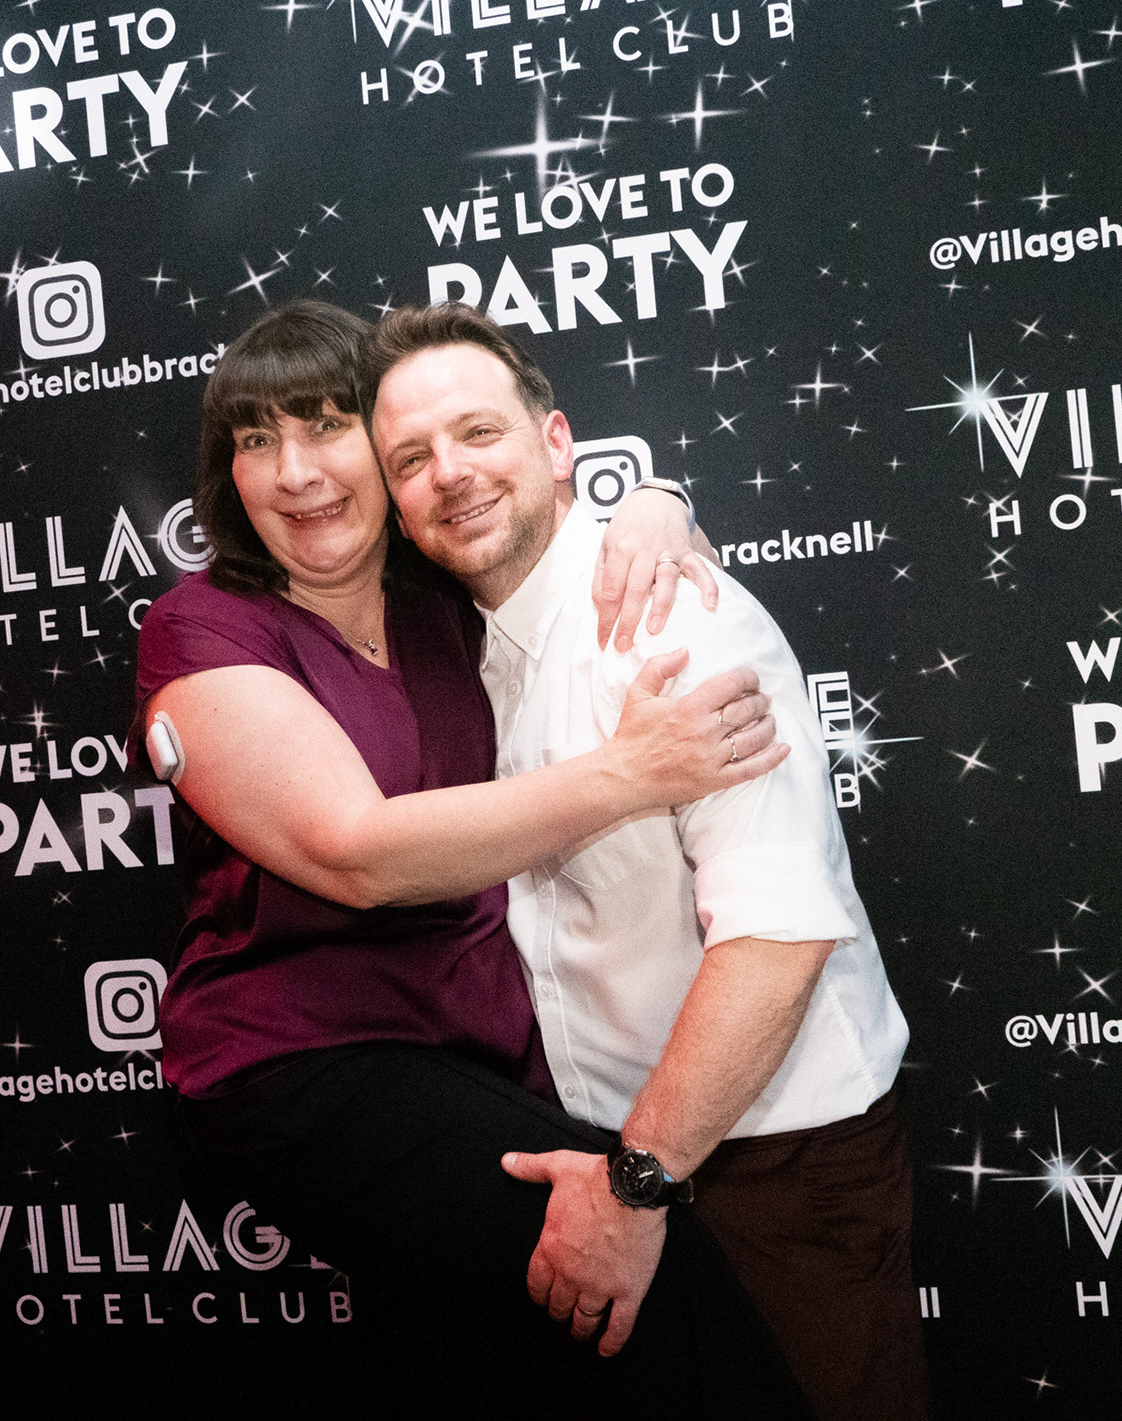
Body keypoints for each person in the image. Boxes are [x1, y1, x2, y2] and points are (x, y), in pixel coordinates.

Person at [131, 300, 805, 1415]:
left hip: (480, 1058)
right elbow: (355, 854)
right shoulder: (205, 627)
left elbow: (554, 527)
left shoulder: (443, 605)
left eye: (326, 425)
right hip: (309, 1066)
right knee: (644, 1281)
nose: (294, 472)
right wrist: (632, 773)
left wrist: (657, 508)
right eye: (255, 439)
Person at [361, 303, 932, 1421]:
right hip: (610, 1169)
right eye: (410, 459)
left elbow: (777, 939)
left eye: (478, 433)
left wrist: (634, 1186)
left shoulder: (671, 621)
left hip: (771, 1168)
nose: (450, 474)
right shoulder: (456, 650)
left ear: (557, 443)